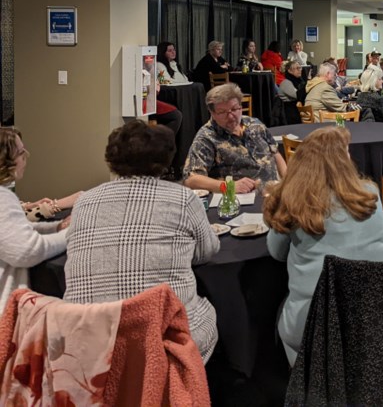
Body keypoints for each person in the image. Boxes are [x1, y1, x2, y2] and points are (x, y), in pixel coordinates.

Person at [63, 121, 220, 362]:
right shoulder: (183, 199)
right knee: (208, 312)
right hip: (163, 341)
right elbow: (206, 251)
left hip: (87, 342)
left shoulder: (85, 202)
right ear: (166, 159)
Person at [263, 127, 383, 366]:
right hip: (378, 311)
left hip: (316, 322)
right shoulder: (370, 193)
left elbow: (276, 252)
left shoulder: (294, 202)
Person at [0, 127, 70, 312]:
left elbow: (12, 232)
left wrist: (57, 227)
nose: (26, 157)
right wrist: (70, 234)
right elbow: (27, 250)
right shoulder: (2, 198)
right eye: (21, 152)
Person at [183, 83, 287, 194]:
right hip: (246, 198)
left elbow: (275, 153)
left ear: (241, 107)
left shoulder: (255, 124)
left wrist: (288, 181)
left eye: (234, 109)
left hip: (276, 191)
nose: (231, 116)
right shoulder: (206, 137)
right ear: (212, 113)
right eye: (223, 112)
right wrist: (228, 186)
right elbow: (191, 179)